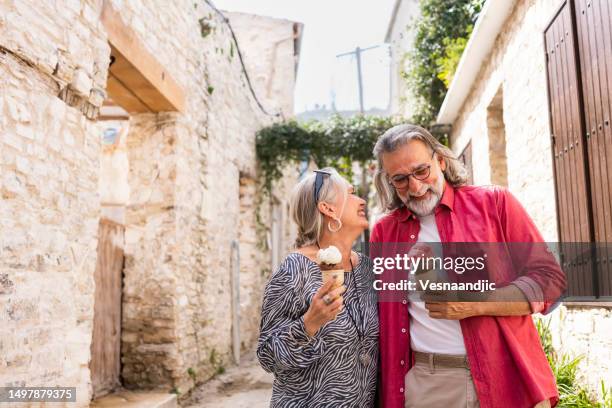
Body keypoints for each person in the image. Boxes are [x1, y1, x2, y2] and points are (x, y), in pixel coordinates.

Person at [370, 124, 566, 408]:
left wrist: (474, 301)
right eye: (400, 179)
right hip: (431, 385)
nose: (415, 187)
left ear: (440, 160)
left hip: (508, 375)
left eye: (421, 171)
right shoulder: (385, 234)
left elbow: (550, 281)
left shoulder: (495, 203)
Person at [257, 168, 379, 407]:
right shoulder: (294, 270)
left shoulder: (367, 268)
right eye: (351, 194)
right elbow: (267, 355)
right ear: (328, 208)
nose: (362, 200)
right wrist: (309, 323)